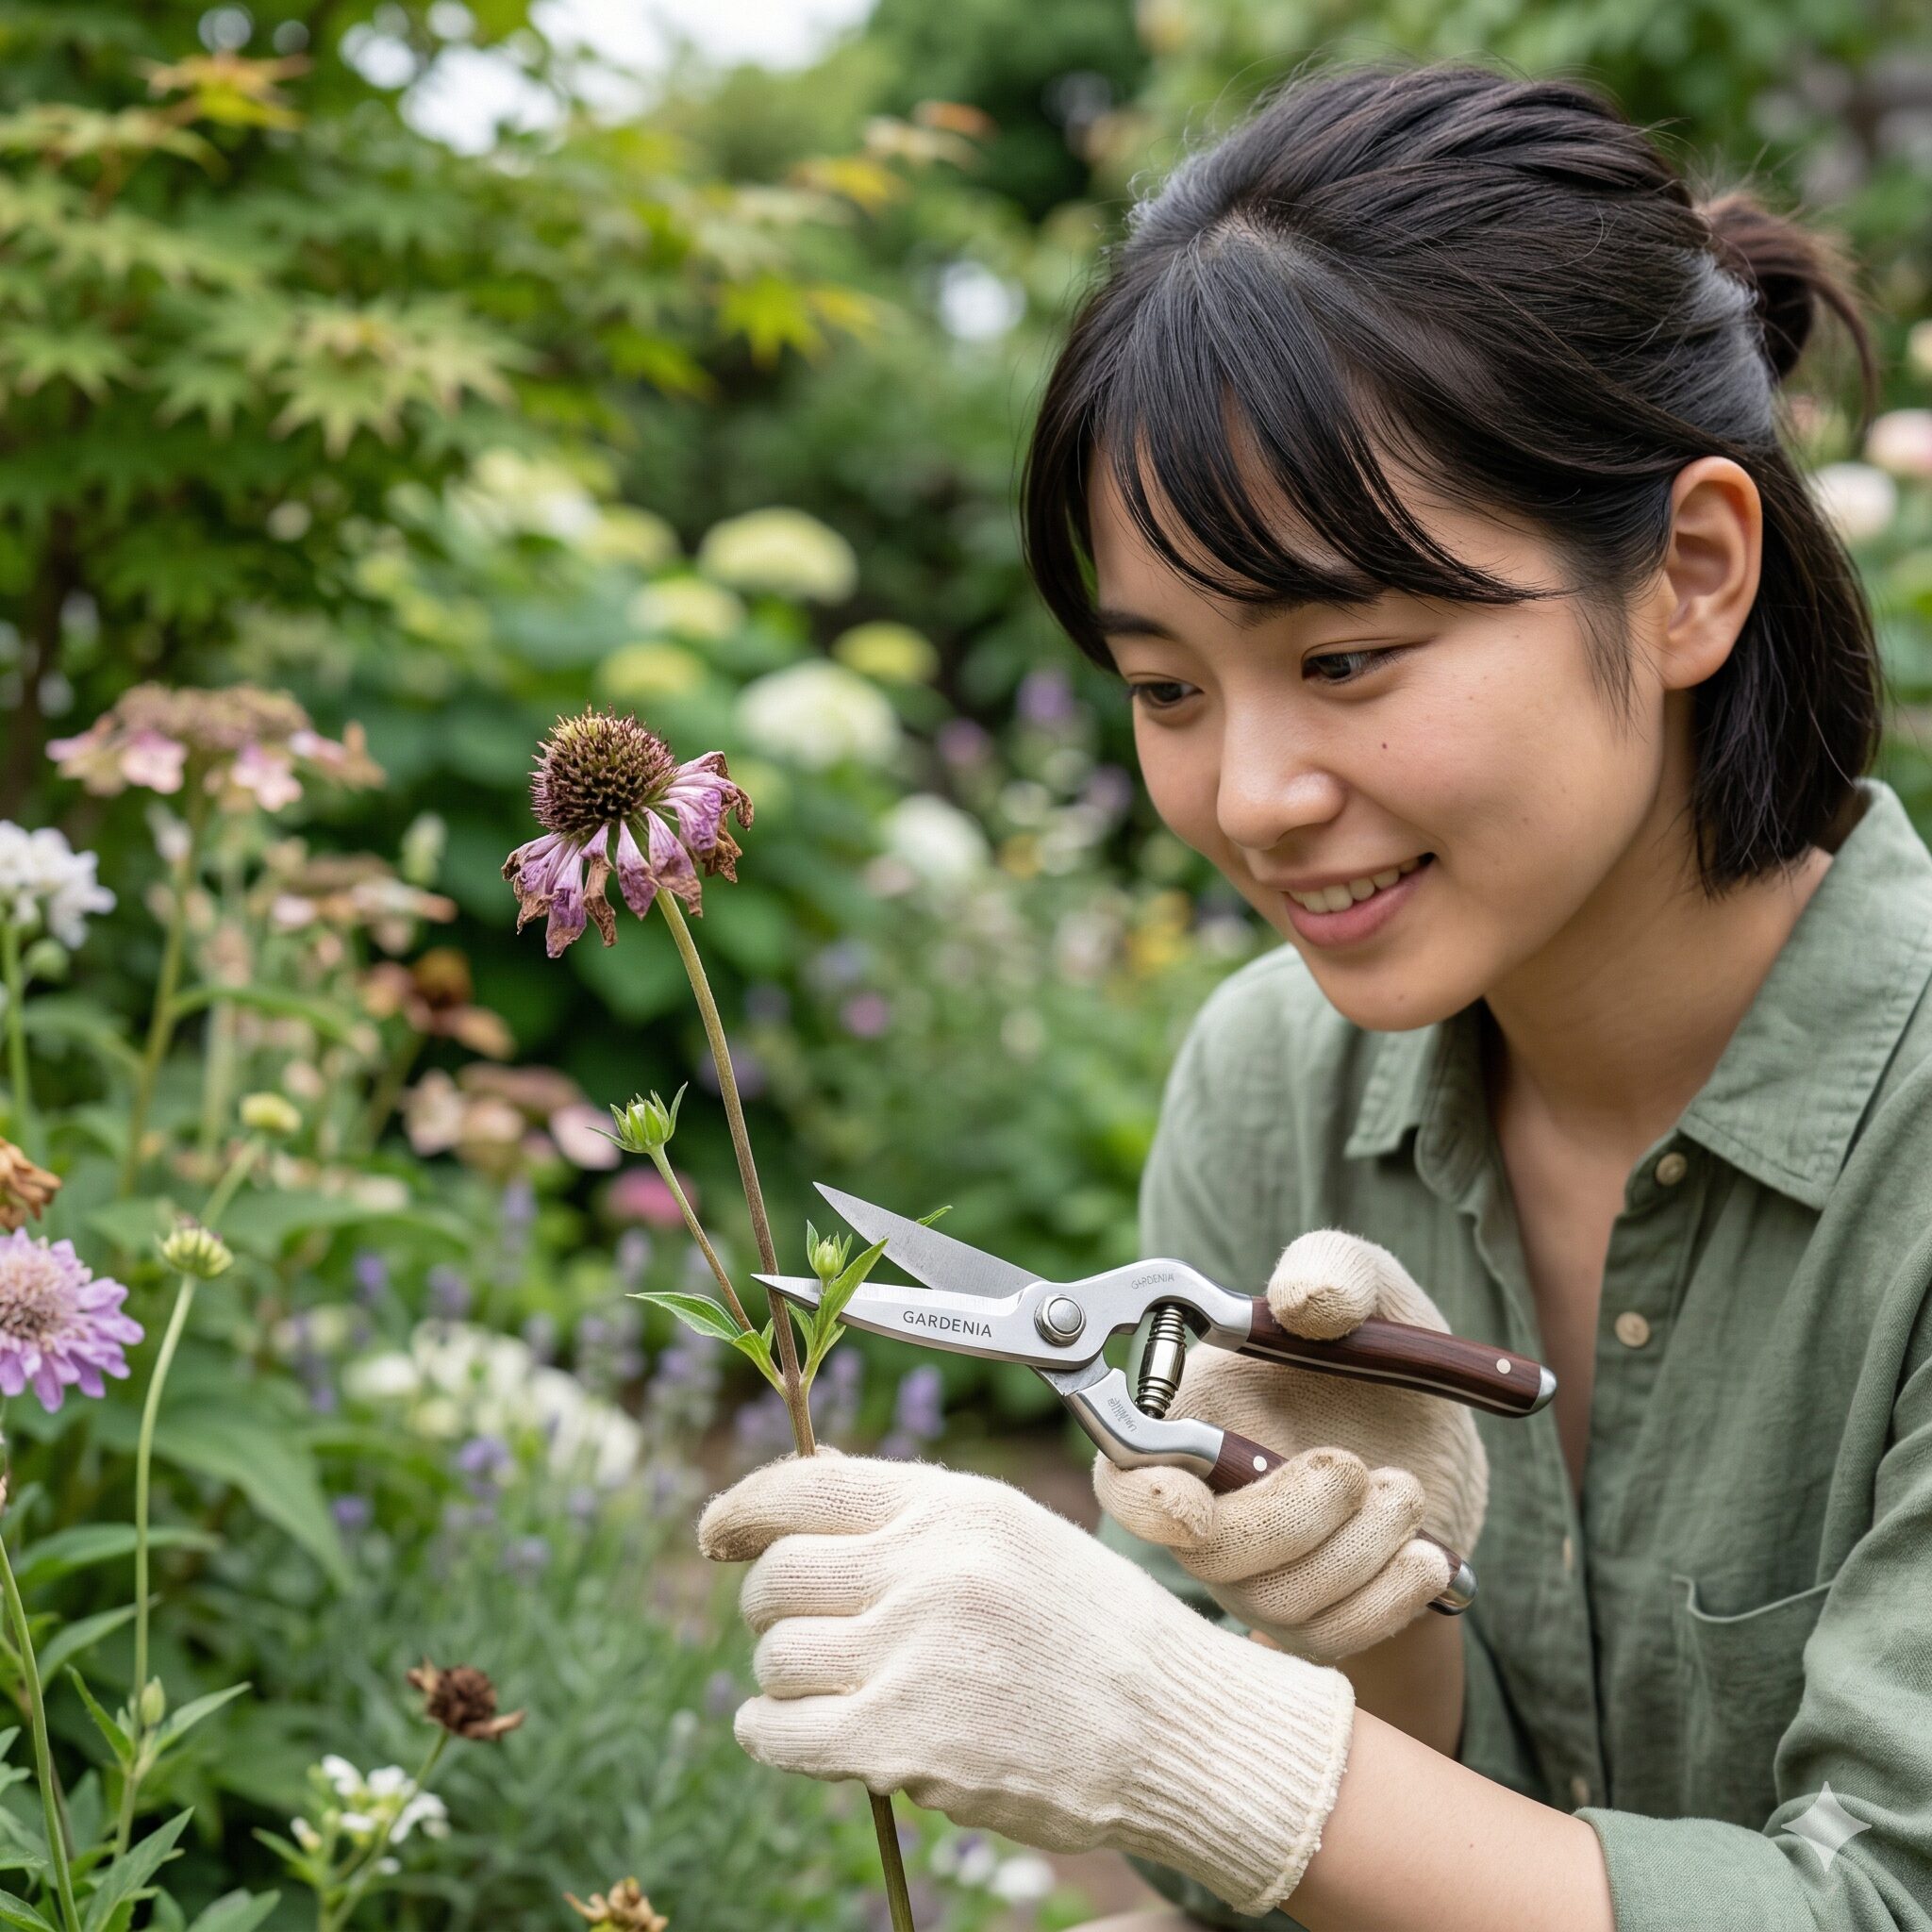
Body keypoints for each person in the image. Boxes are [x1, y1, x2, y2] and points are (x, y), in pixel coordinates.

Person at [695, 56, 1932, 1932]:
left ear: (1690, 576)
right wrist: (1364, 1638)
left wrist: (1197, 1733)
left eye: (1344, 656)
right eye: (1167, 689)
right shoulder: (1272, 1086)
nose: (1252, 796)